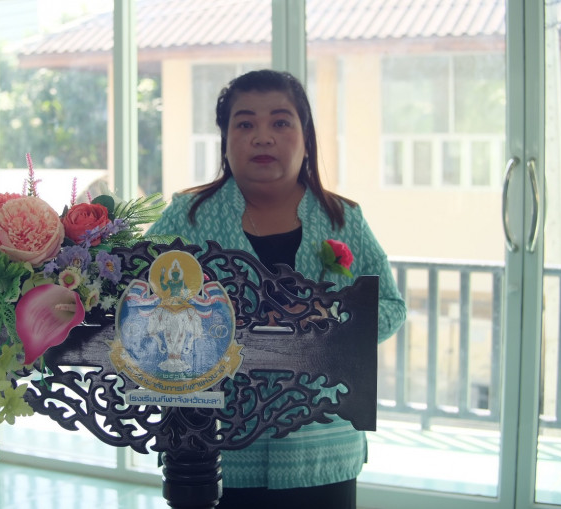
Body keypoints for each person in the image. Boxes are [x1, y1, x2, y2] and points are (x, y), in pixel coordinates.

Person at [146, 69, 407, 508]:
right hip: (215, 446)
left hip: (322, 446)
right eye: (245, 123)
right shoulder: (187, 217)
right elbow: (135, 296)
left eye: (281, 122)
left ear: (306, 137)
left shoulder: (343, 218)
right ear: (225, 140)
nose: (262, 137)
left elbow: (390, 307)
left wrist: (329, 321)